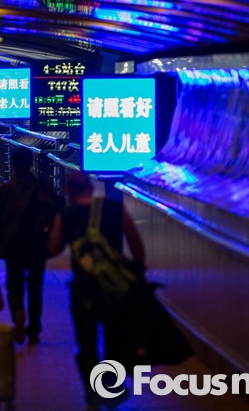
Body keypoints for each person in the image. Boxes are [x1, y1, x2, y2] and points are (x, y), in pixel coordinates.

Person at [47, 172, 145, 411]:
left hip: (84, 291)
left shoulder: (66, 215)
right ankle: (110, 387)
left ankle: (92, 396)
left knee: (86, 344)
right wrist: (136, 274)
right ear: (90, 187)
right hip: (114, 289)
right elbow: (136, 244)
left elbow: (53, 248)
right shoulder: (114, 208)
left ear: (69, 191)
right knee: (114, 340)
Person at [0, 146, 62, 345]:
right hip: (37, 244)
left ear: (12, 165)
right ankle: (34, 329)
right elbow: (58, 208)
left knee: (14, 285)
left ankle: (17, 312)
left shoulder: (3, 191)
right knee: (35, 288)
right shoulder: (42, 187)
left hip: (12, 245)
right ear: (31, 163)